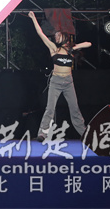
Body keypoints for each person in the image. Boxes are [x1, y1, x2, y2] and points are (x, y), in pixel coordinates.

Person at [28, 11, 91, 142]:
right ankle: (42, 134)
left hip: (68, 82)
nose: (56, 37)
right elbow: (41, 34)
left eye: (58, 35)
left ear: (64, 36)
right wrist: (33, 18)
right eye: (55, 36)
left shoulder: (70, 50)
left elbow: (88, 43)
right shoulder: (54, 49)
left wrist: (75, 47)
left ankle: (84, 133)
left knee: (75, 109)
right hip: (56, 82)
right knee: (50, 109)